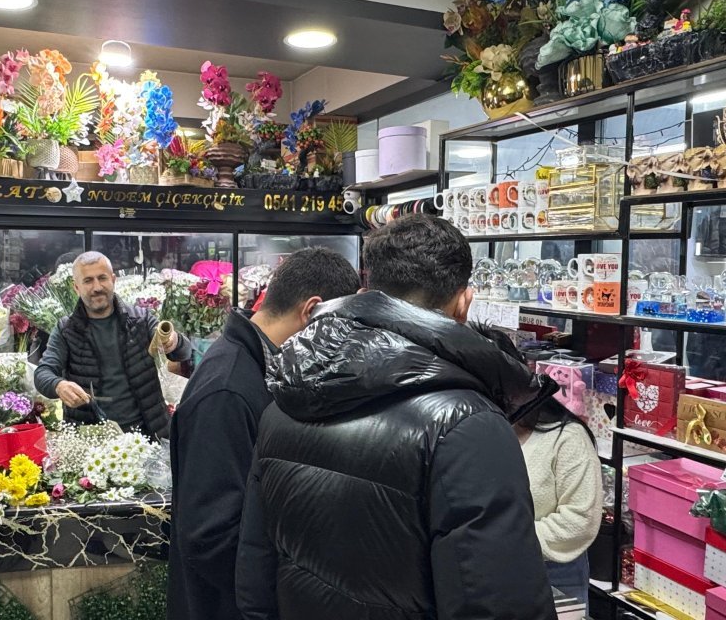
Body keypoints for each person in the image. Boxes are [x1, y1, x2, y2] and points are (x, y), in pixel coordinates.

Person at [235, 214, 557, 620]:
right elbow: (498, 602)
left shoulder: (288, 395)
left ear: (368, 292)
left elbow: (255, 571)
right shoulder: (466, 426)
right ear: (464, 303)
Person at [168, 248, 361, 620]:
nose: (340, 341)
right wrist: (290, 596)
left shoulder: (259, 366)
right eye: (340, 326)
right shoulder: (227, 389)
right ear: (311, 311)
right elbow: (210, 536)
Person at [34, 251, 192, 438]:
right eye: (88, 281)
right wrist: (59, 385)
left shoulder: (141, 319)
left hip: (147, 432)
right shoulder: (66, 329)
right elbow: (43, 373)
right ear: (76, 287)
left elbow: (183, 352)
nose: (97, 287)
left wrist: (174, 341)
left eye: (102, 278)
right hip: (92, 437)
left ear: (113, 279)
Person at [513, 385, 603, 609]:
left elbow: (580, 520)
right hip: (494, 567)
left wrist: (505, 540)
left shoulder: (567, 437)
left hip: (555, 569)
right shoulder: (483, 432)